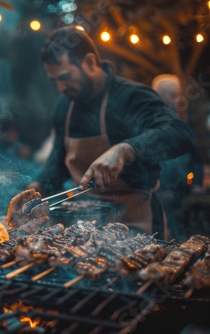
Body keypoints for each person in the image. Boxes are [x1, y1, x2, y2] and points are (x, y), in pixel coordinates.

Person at [27, 26, 196, 239]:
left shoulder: (132, 97)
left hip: (135, 226)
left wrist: (126, 149)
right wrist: (39, 185)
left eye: (66, 77)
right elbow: (59, 160)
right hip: (84, 227)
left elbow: (180, 133)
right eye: (55, 81)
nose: (60, 88)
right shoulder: (65, 105)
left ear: (89, 63)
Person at [151, 74, 204, 238]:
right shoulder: (150, 123)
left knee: (185, 234)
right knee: (164, 235)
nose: (177, 100)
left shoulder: (180, 124)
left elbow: (195, 158)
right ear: (158, 95)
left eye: (178, 94)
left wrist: (195, 182)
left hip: (183, 193)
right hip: (161, 195)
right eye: (173, 95)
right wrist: (157, 191)